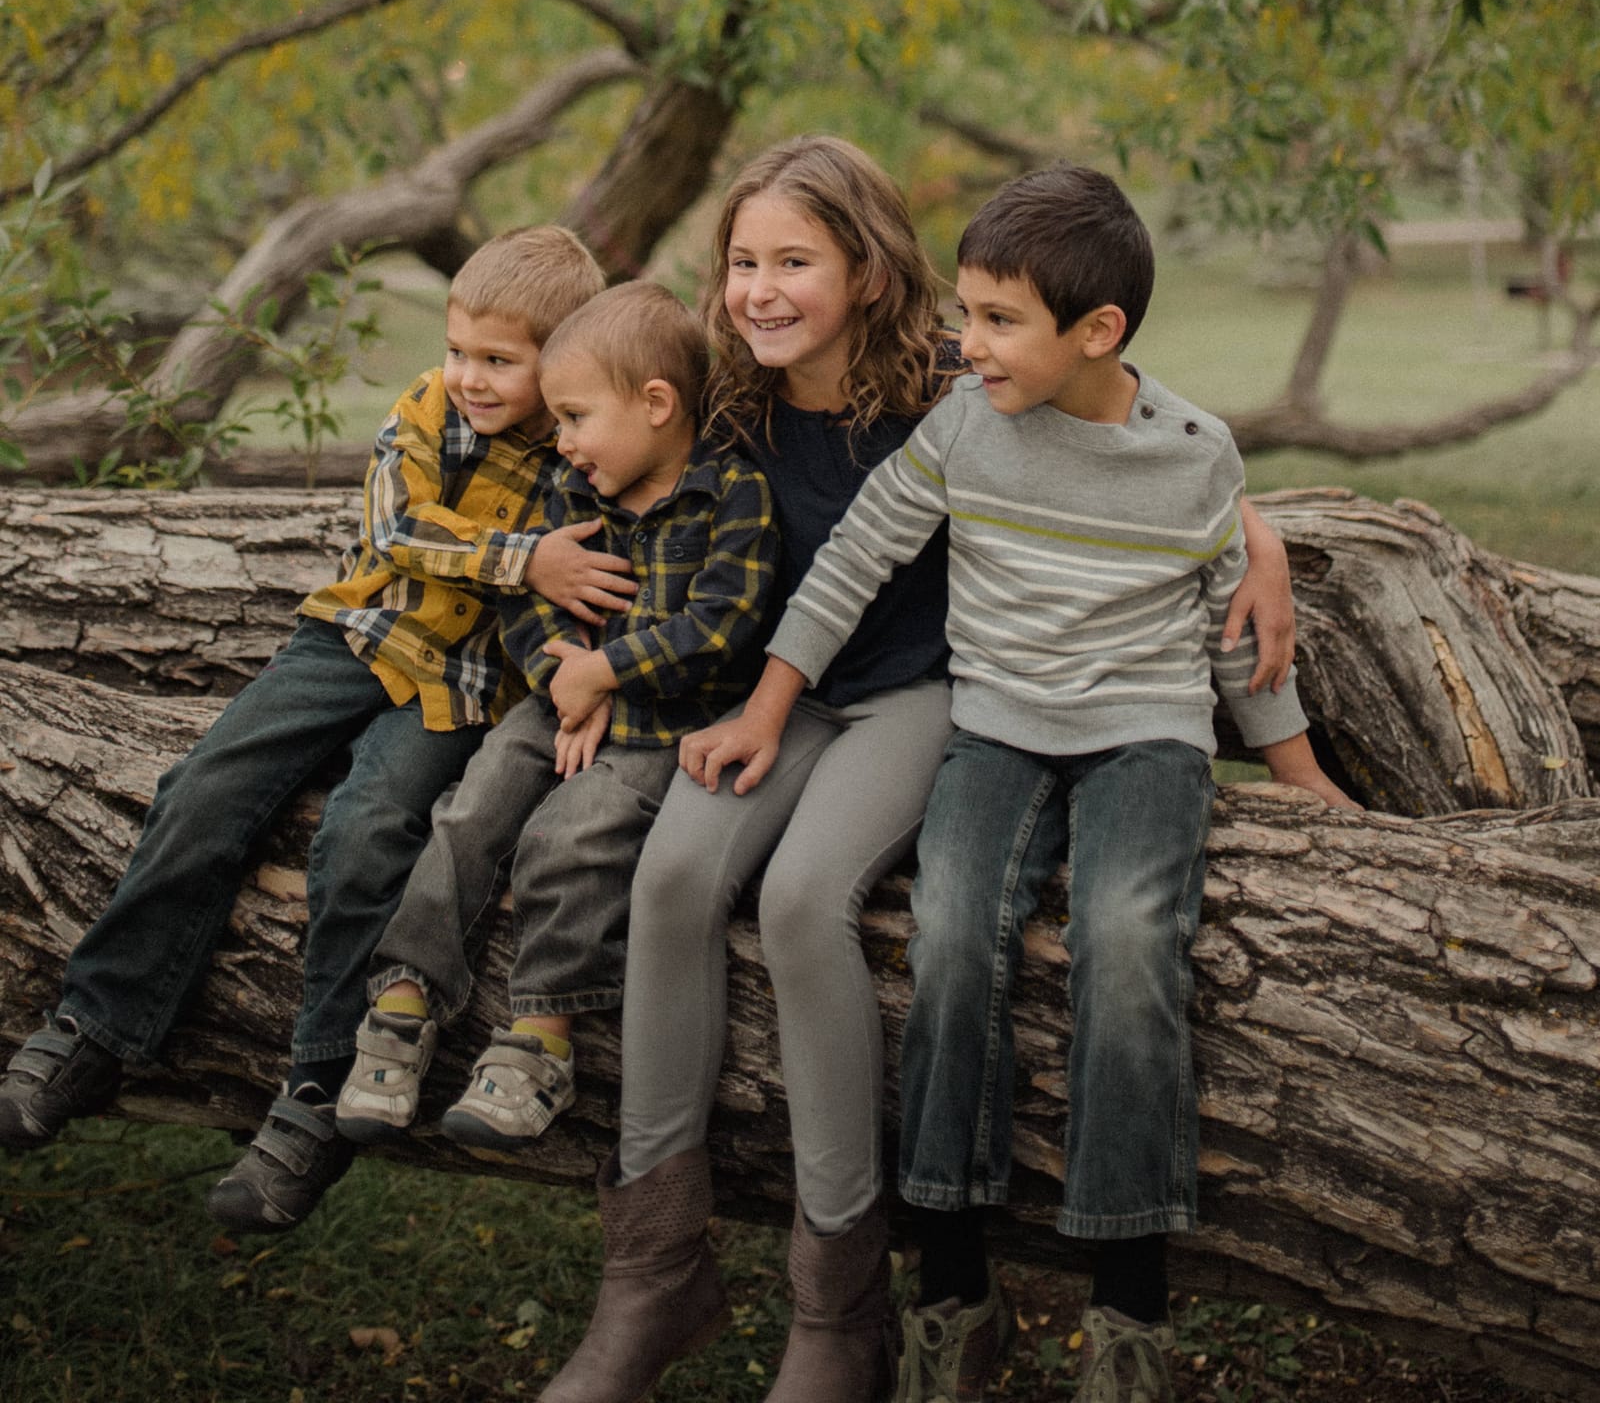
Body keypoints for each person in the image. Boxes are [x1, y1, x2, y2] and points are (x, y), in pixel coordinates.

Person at [540, 137, 1302, 1403]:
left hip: (922, 696)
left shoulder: (954, 380)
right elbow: (584, 416)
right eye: (742, 262)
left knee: (801, 902)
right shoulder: (724, 391)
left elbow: (1120, 411)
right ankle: (652, 1269)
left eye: (795, 261)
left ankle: (839, 1304)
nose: (759, 289)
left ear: (870, 271)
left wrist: (1250, 523)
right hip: (778, 695)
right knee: (673, 879)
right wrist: (530, 565)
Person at [0, 224, 621, 1232]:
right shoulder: (427, 406)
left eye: (498, 361)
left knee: (369, 833)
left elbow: (569, 598)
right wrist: (521, 559)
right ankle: (98, 1022)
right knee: (207, 788)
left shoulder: (577, 454)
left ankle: (319, 1093)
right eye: (460, 349)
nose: (467, 375)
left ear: (562, 362)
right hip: (354, 635)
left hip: (459, 687)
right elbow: (395, 529)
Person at [333, 282, 778, 1156]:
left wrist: (604, 674)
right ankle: (403, 1000)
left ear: (657, 405)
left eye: (575, 417)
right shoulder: (579, 494)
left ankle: (541, 1042)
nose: (562, 441)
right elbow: (529, 607)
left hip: (663, 724)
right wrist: (562, 675)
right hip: (557, 702)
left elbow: (724, 628)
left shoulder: (735, 495)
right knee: (471, 810)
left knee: (574, 838)